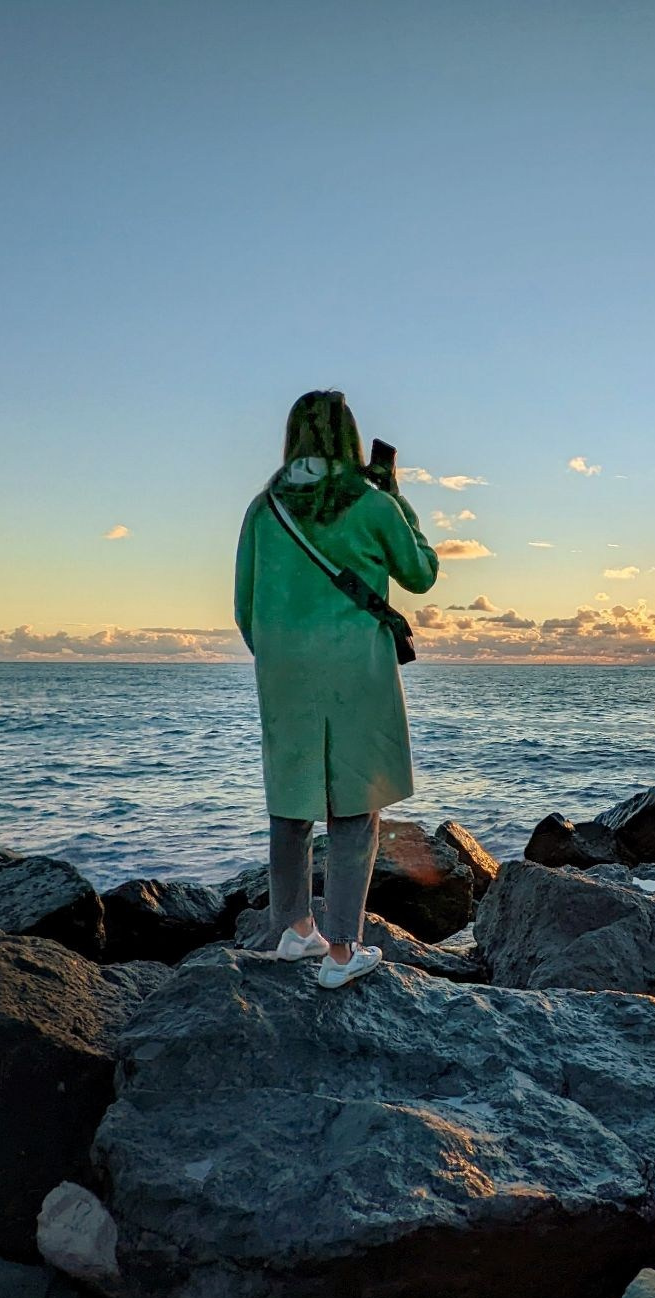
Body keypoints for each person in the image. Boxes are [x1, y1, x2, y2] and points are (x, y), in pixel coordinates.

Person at [233, 391, 439, 988]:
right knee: (354, 805)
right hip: (357, 671)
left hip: (285, 671)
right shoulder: (372, 505)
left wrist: (280, 656)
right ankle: (343, 953)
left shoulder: (263, 509)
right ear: (349, 439)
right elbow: (421, 574)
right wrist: (397, 495)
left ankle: (294, 929)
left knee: (291, 799)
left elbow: (244, 607)